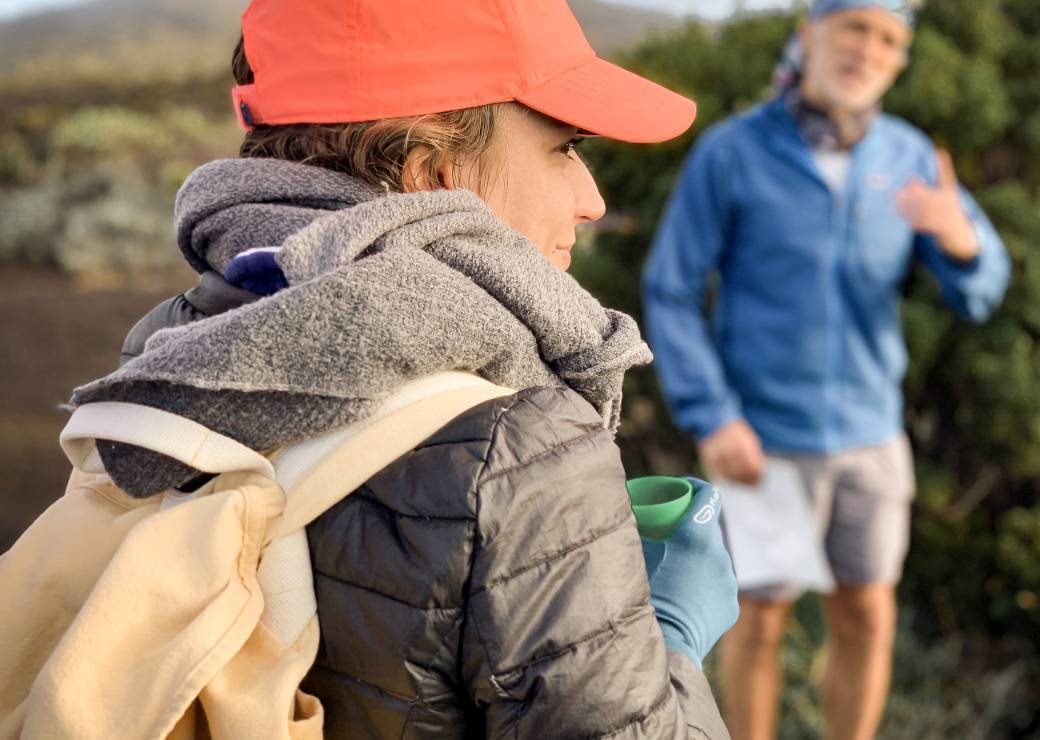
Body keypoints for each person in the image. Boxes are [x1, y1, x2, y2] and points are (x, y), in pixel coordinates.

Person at [76, 0, 739, 736]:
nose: (592, 198)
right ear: (433, 172)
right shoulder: (522, 446)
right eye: (564, 147)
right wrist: (671, 639)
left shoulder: (175, 345)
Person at [641, 2, 1011, 739]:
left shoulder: (909, 158)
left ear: (899, 61)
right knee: (760, 617)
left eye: (888, 39)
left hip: (872, 438)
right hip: (766, 440)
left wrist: (959, 240)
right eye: (855, 27)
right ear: (810, 31)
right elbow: (671, 290)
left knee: (868, 614)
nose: (867, 50)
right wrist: (713, 415)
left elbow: (981, 288)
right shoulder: (733, 152)